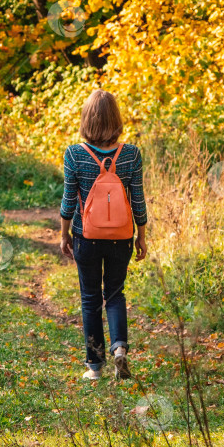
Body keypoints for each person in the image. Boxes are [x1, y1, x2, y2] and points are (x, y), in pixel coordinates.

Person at [59, 89, 148, 381]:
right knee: (114, 293)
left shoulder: (74, 154)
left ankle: (94, 367)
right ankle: (120, 348)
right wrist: (142, 236)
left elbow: (68, 200)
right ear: (116, 118)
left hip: (87, 236)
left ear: (87, 119)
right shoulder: (132, 154)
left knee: (90, 298)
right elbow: (138, 200)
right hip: (121, 237)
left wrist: (64, 234)